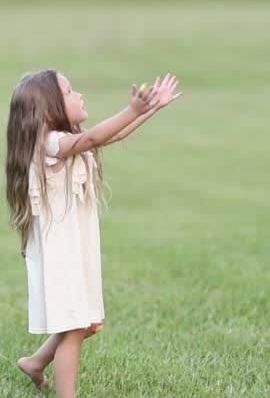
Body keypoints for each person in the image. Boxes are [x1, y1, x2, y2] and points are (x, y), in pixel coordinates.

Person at [5, 69, 183, 398]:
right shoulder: (50, 143)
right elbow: (93, 139)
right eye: (70, 92)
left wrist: (150, 109)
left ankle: (35, 362)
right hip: (61, 253)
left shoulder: (62, 142)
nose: (79, 95)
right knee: (74, 327)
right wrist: (132, 109)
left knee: (83, 324)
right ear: (48, 110)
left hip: (75, 248)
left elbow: (109, 136)